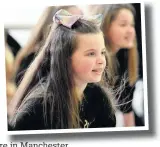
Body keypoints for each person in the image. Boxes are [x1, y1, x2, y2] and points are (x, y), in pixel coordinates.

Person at [8, 9, 116, 130]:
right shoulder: (37, 111)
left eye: (102, 52)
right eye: (91, 54)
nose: (101, 60)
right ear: (65, 58)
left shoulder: (99, 97)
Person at [90, 4, 139, 127]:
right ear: (105, 26)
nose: (130, 30)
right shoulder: (95, 62)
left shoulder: (124, 56)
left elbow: (127, 106)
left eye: (132, 25)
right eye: (123, 25)